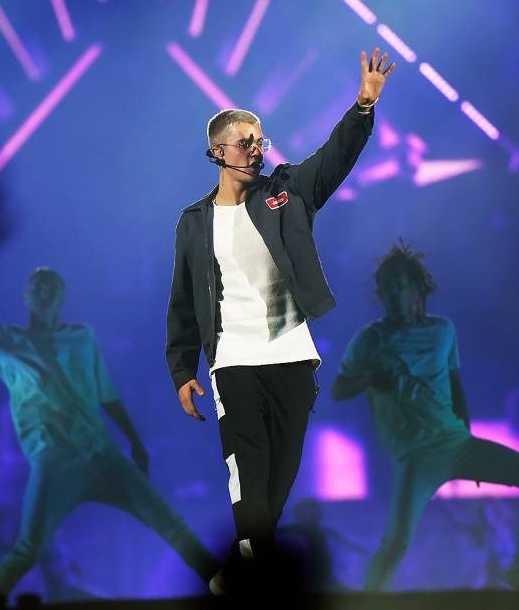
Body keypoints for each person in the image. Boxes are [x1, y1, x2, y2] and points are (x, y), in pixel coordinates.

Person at [165, 47, 394, 594]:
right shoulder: (194, 223)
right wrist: (182, 370)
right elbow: (180, 302)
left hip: (293, 354)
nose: (255, 149)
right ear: (216, 152)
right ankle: (258, 576)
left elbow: (334, 157)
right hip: (234, 360)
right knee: (247, 463)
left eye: (259, 140)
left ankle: (239, 568)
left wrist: (362, 106)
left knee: (280, 474)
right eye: (244, 142)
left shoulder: (287, 194)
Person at [0, 260, 218, 599]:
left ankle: (227, 586)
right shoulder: (8, 340)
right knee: (27, 549)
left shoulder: (81, 337)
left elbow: (106, 394)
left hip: (100, 456)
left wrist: (135, 441)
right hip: (54, 463)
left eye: (51, 288)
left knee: (170, 525)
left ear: (62, 299)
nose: (44, 292)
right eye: (38, 287)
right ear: (25, 297)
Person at [332, 240, 519, 590]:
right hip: (416, 458)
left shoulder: (443, 331)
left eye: (398, 286)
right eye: (384, 288)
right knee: (396, 544)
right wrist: (368, 379)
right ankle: (369, 601)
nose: (390, 294)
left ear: (417, 288)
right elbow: (338, 389)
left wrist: (466, 437)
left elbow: (454, 383)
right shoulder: (369, 340)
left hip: (457, 445)